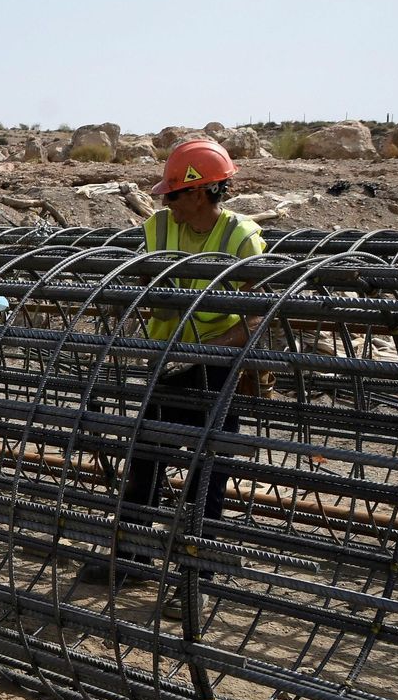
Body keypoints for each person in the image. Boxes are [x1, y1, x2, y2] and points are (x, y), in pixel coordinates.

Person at [79, 138, 264, 619]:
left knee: (210, 471)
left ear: (199, 193)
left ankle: (195, 579)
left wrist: (210, 350)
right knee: (145, 459)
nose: (165, 203)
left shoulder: (243, 238)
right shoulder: (157, 228)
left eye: (173, 195)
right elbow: (140, 284)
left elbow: (263, 314)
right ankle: (133, 558)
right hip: (167, 361)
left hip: (216, 366)